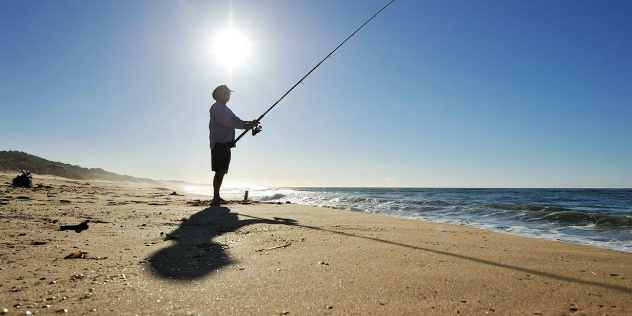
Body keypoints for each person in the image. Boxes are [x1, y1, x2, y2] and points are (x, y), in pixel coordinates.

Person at [209, 85, 258, 206]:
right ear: (218, 94)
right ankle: (215, 197)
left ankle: (217, 196)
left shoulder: (228, 110)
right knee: (220, 169)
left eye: (229, 93)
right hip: (219, 142)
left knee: (223, 170)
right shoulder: (215, 107)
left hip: (226, 142)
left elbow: (237, 120)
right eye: (225, 92)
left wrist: (249, 123)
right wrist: (244, 126)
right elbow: (226, 122)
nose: (228, 94)